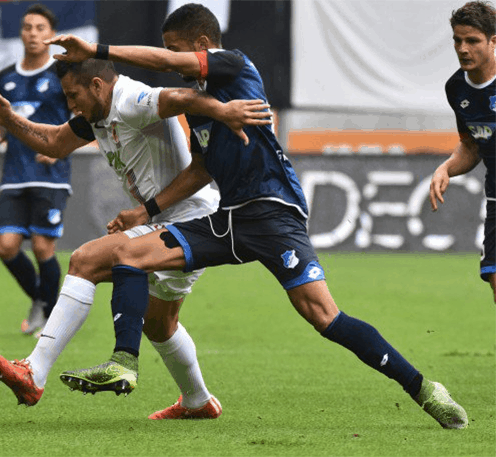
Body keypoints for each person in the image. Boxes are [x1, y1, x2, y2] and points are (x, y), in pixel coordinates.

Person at [47, 3, 469, 429]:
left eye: (176, 50)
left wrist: (98, 48)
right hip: (227, 219)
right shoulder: (201, 104)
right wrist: (147, 209)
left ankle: (424, 389)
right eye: (169, 52)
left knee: (324, 317)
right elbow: (202, 167)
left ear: (202, 45)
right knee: (129, 254)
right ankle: (124, 362)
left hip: (272, 211)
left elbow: (171, 63)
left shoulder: (233, 65)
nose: (173, 63)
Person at [0, 57, 272, 419]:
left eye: (74, 96)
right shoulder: (95, 117)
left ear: (98, 86)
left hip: (189, 218)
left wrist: (223, 110)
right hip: (173, 218)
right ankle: (198, 401)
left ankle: (33, 372)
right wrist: (8, 119)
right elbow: (54, 142)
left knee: (85, 260)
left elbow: (181, 97)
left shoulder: (131, 99)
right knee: (159, 324)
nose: (71, 105)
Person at [0, 4, 71, 335]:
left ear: (51, 35)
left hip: (51, 176)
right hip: (14, 175)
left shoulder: (61, 74)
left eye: (40, 28)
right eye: (27, 27)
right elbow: (0, 120)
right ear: (21, 33)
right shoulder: (5, 78)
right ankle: (41, 299)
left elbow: (79, 117)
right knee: (5, 246)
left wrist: (59, 147)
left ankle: (49, 319)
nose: (33, 33)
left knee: (41, 247)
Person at [430, 1, 496, 304]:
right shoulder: (456, 88)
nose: (463, 48)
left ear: (493, 41)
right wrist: (445, 168)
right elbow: (471, 146)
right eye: (458, 40)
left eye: (472, 40)